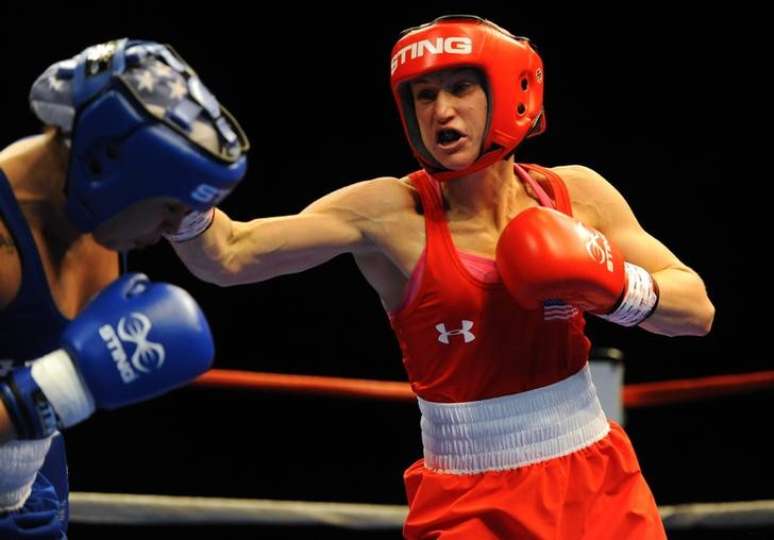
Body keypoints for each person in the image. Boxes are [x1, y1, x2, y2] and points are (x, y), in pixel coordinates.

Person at [170, 15, 714, 539]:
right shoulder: (390, 213)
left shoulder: (576, 195)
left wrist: (615, 288)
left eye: (460, 88)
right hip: (469, 499)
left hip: (597, 480)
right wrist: (182, 190)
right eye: (424, 96)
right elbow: (229, 255)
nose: (441, 110)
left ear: (508, 92)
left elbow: (697, 310)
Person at [0, 38, 249, 538]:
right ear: (107, 169)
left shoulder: (93, 224)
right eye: (171, 206)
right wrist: (54, 391)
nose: (175, 227)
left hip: (31, 490)